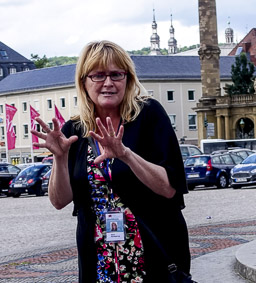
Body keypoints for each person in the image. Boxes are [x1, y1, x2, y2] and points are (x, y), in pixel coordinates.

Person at [31, 40, 191, 282]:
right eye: (98, 75)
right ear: (84, 82)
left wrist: (125, 154)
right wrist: (60, 158)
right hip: (99, 256)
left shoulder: (148, 115)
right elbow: (59, 201)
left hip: (152, 251)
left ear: (128, 78)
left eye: (116, 74)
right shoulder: (75, 129)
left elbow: (169, 189)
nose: (108, 83)